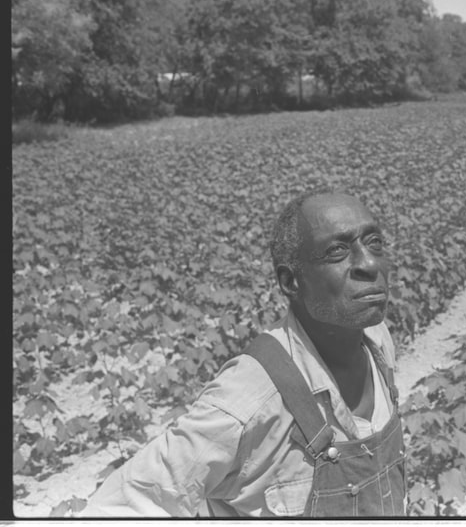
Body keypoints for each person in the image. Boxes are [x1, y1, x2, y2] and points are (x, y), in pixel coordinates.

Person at [81, 189, 406, 517]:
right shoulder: (251, 397)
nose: (368, 263)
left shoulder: (377, 341)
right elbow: (122, 504)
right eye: (337, 251)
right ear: (291, 282)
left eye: (374, 242)